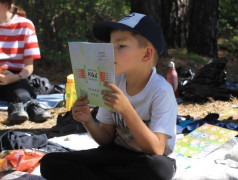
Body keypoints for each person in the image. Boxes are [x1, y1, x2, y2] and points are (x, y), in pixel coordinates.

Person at [40, 12, 177, 180]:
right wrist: (87, 121)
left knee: (158, 170)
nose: (110, 52)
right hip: (114, 155)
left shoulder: (161, 90)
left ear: (147, 54)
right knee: (50, 162)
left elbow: (156, 149)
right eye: (109, 46)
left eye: (120, 46)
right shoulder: (112, 81)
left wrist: (127, 111)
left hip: (147, 159)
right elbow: (105, 139)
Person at [0, 0, 51, 122]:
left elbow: (29, 67)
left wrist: (15, 77)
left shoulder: (25, 25)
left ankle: (22, 109)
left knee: (22, 95)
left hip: (15, 76)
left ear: (5, 5)